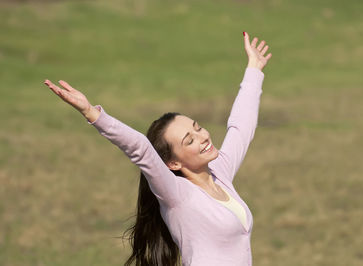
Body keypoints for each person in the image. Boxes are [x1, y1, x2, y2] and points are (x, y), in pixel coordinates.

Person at [44, 31, 271, 266]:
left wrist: (254, 69)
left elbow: (240, 129)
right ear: (173, 163)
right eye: (189, 140)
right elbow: (140, 148)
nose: (202, 137)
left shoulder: (219, 173)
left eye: (198, 128)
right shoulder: (176, 194)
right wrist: (92, 113)